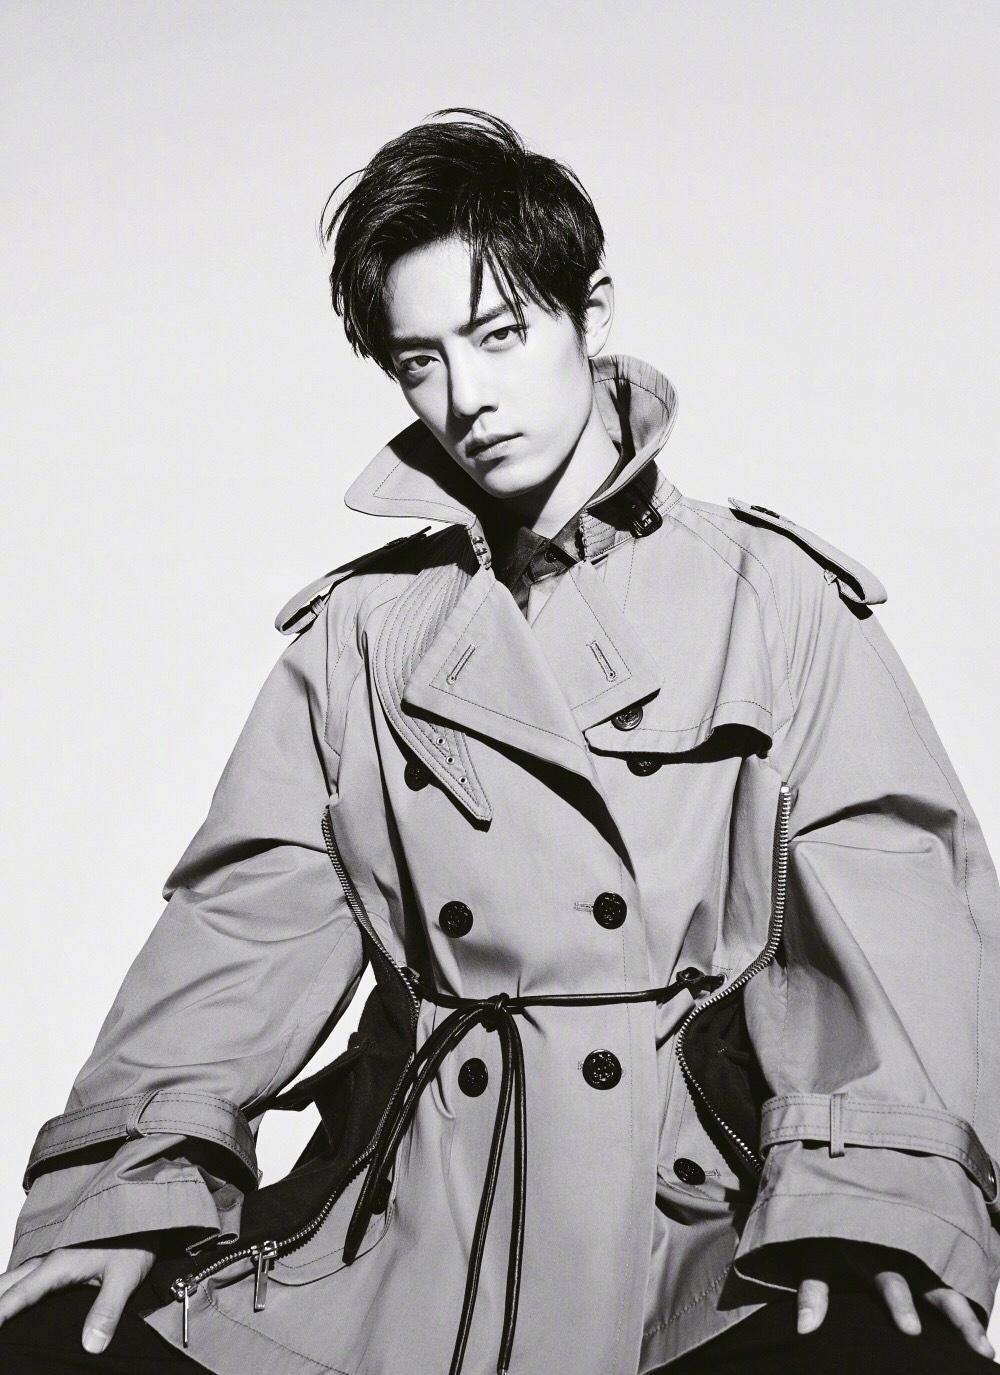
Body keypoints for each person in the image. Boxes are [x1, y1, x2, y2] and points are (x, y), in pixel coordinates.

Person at [2, 108, 998, 1375]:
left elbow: (895, 900)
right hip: (415, 1212)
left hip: (694, 1231)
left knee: (895, 1351)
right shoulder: (359, 635)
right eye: (419, 361)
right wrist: (121, 1191)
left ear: (592, 314)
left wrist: (874, 1203)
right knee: (53, 1342)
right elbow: (239, 930)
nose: (466, 397)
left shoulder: (773, 599)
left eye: (500, 334)